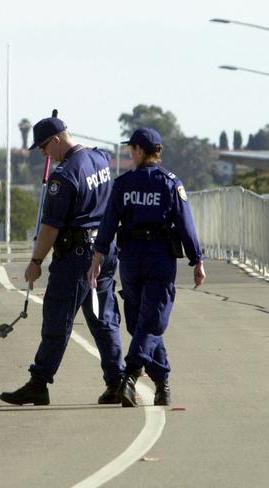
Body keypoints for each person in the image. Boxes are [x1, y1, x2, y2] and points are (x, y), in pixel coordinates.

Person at [0, 116, 125, 406]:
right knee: (103, 319)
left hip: (76, 256)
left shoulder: (64, 175)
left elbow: (51, 227)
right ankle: (117, 380)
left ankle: (39, 382)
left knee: (57, 319)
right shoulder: (100, 158)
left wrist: (36, 261)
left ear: (57, 139)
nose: (44, 154)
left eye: (44, 147)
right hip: (103, 250)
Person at [87, 127, 206, 407]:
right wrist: (196, 260)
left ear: (140, 150)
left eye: (131, 149)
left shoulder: (124, 183)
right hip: (158, 257)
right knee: (150, 322)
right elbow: (186, 225)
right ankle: (142, 377)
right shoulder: (170, 182)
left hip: (131, 258)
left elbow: (107, 224)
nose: (129, 153)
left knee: (145, 322)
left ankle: (150, 381)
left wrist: (98, 256)